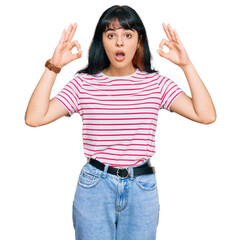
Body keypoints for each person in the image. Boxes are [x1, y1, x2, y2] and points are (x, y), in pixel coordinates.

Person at [24, 4, 216, 240]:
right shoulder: (84, 84)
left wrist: (186, 65)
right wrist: (54, 67)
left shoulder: (155, 84)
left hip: (141, 188)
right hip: (95, 187)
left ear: (139, 41)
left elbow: (206, 115)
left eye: (127, 35)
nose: (119, 42)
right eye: (111, 35)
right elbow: (34, 117)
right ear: (101, 41)